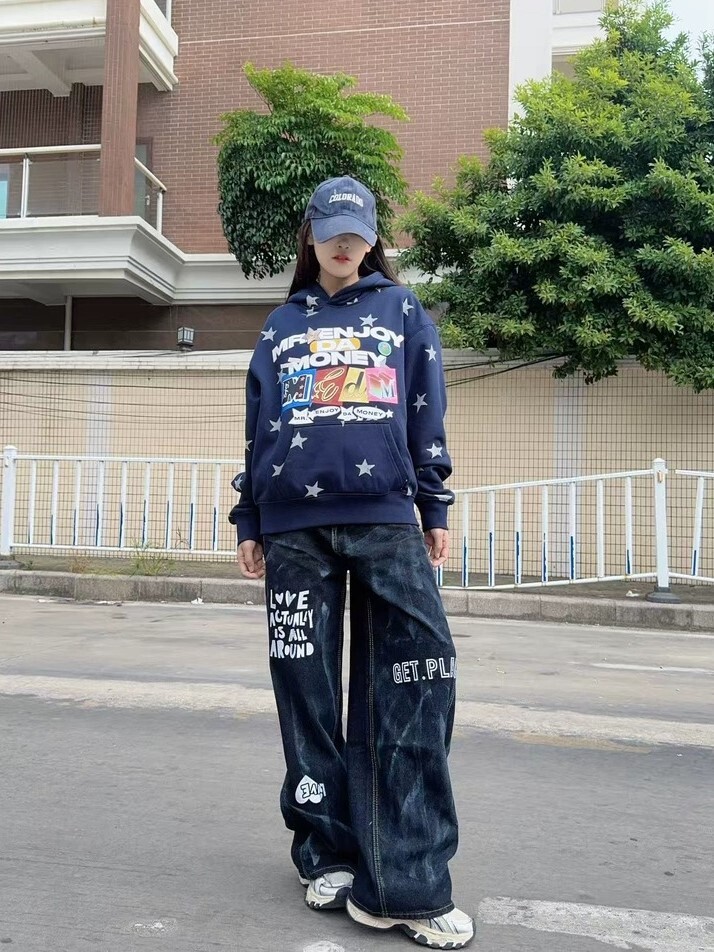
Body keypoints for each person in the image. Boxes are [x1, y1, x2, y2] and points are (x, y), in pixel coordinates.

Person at [229, 175, 474, 950]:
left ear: (372, 239)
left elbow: (425, 411)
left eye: (357, 232)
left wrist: (433, 505)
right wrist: (250, 518)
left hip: (385, 518)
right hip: (293, 529)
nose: (344, 243)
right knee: (306, 695)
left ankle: (403, 880)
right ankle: (326, 850)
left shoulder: (401, 311)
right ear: (310, 236)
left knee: (418, 677)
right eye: (331, 230)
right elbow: (260, 424)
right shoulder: (280, 324)